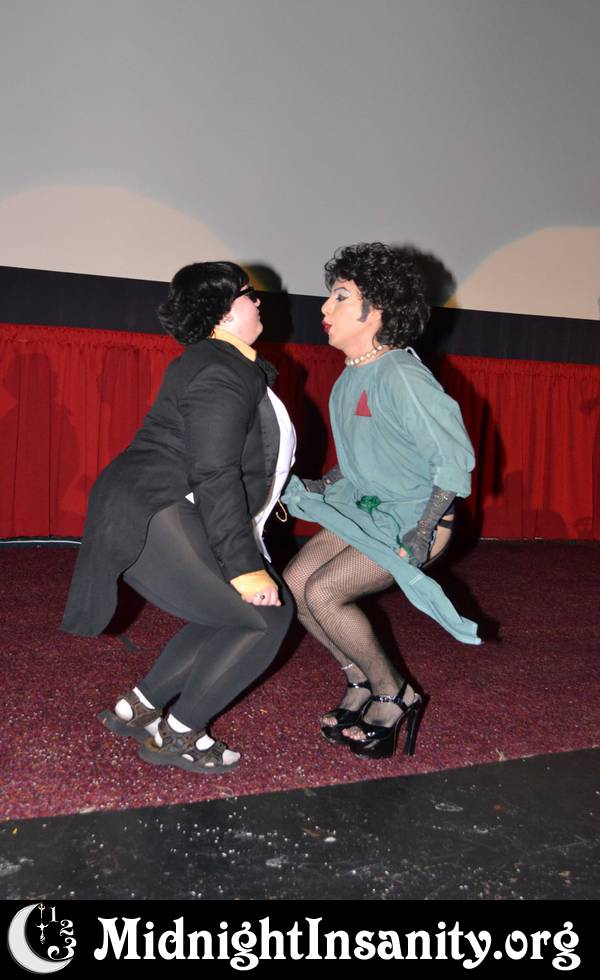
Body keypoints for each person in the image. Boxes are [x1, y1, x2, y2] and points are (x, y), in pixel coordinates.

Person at [62, 261, 296, 774]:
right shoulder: (221, 368)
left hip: (154, 504)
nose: (258, 301)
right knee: (266, 616)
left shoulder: (224, 361)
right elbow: (214, 471)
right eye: (248, 294)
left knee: (229, 614)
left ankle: (139, 708)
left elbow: (249, 462)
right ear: (223, 311)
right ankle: (180, 734)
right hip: (153, 509)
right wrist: (245, 568)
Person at [283, 242, 480, 760]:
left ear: (377, 311)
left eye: (340, 297)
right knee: (296, 586)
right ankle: (360, 679)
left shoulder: (400, 375)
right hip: (368, 508)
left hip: (418, 516)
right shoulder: (352, 375)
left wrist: (423, 531)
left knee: (325, 593)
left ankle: (396, 693)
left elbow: (452, 459)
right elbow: (360, 458)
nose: (325, 308)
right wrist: (320, 484)